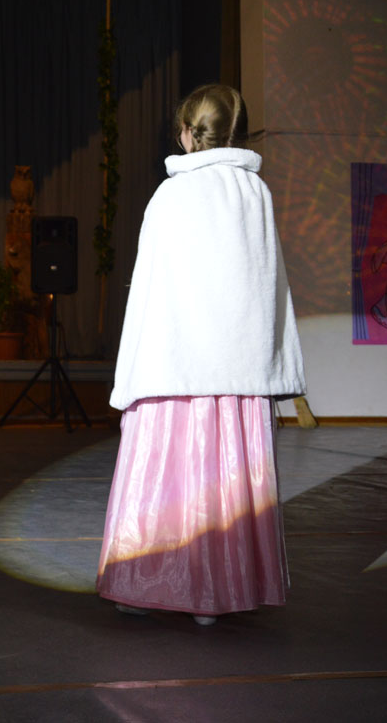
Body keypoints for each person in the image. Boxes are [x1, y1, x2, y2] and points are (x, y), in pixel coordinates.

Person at [97, 84, 306, 626]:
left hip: (177, 367)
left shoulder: (173, 196)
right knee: (225, 479)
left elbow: (150, 288)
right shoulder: (255, 193)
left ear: (188, 134)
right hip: (236, 375)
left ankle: (145, 585)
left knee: (168, 475)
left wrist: (135, 366)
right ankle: (220, 594)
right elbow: (265, 284)